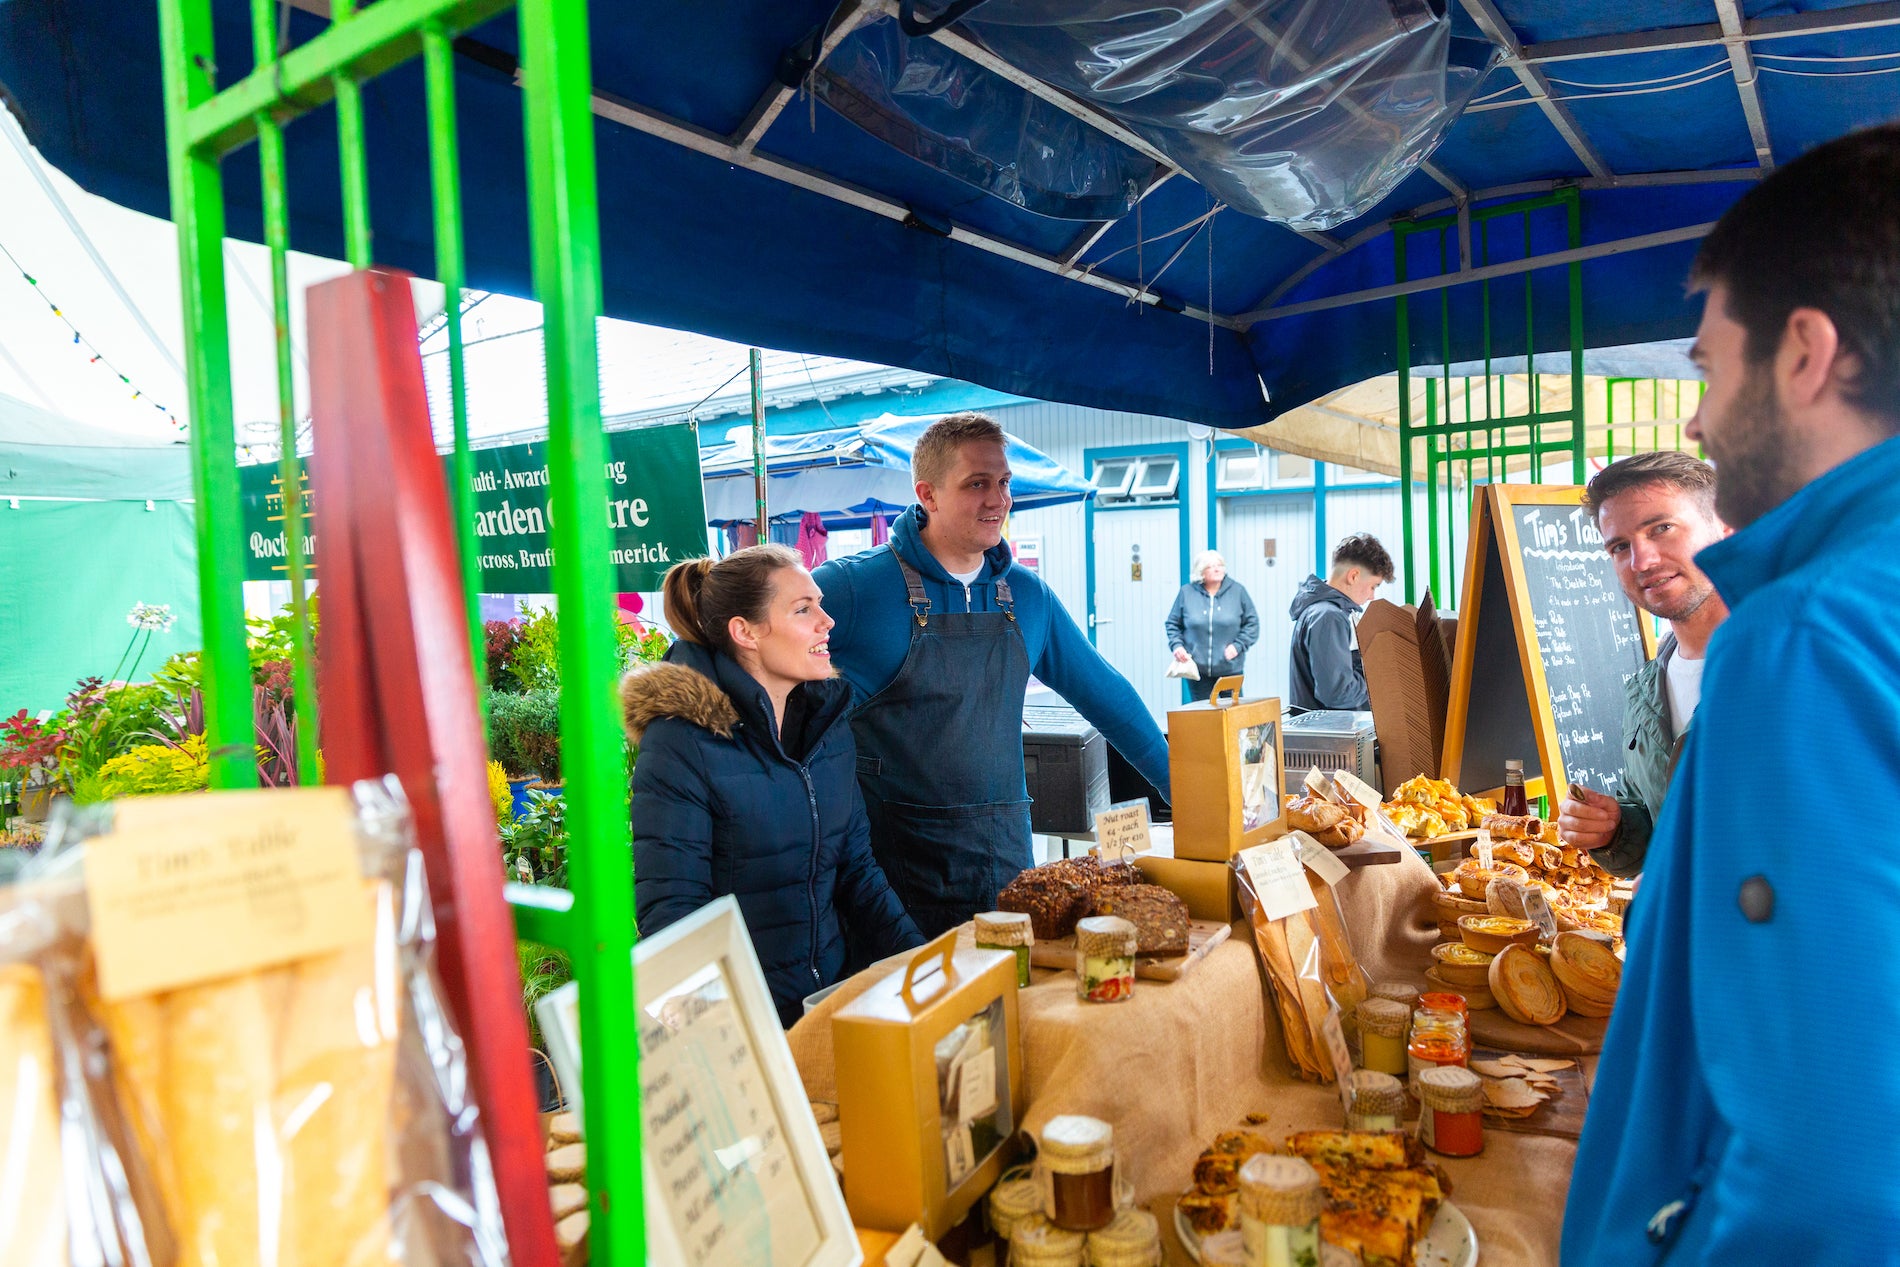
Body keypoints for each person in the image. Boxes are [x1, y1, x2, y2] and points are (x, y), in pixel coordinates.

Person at [1564, 124, 1900, 1266]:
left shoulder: (1801, 634)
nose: (1699, 417)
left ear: (1806, 354)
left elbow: (1831, 1170)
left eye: (1709, 365)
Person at [813, 413, 1172, 937]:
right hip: (895, 880)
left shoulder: (1027, 596)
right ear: (928, 495)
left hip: (1006, 859)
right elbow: (744, 647)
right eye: (976, 484)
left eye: (1003, 482)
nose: (998, 499)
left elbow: (1109, 697)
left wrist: (1183, 791)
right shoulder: (852, 589)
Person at [623, 545, 923, 1027]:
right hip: (744, 1023)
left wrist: (921, 964)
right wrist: (733, 1045)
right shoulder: (681, 741)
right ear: (745, 632)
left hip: (828, 1003)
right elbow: (673, 914)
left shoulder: (828, 730)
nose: (827, 622)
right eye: (804, 609)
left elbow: (857, 872)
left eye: (820, 605)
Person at [1556, 452, 1730, 876]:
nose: (1642, 561)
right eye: (1620, 547)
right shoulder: (1646, 689)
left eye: (1662, 528)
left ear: (1725, 527)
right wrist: (1615, 829)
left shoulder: (1803, 664)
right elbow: (1662, 831)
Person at [1286, 533, 1394, 712]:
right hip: (1328, 736)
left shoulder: (1326, 612)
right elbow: (1337, 693)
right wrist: (1379, 679)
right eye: (1373, 586)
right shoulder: (1328, 617)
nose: (1372, 596)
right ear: (1353, 576)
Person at [1167, 550, 1260, 702]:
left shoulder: (1238, 591)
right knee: (1204, 716)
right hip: (1198, 670)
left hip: (1230, 669)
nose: (1217, 569)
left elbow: (1252, 624)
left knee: (1232, 713)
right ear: (1201, 571)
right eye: (1211, 566)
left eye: (1220, 565)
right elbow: (1173, 624)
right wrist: (1177, 646)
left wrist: (1238, 646)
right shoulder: (1186, 593)